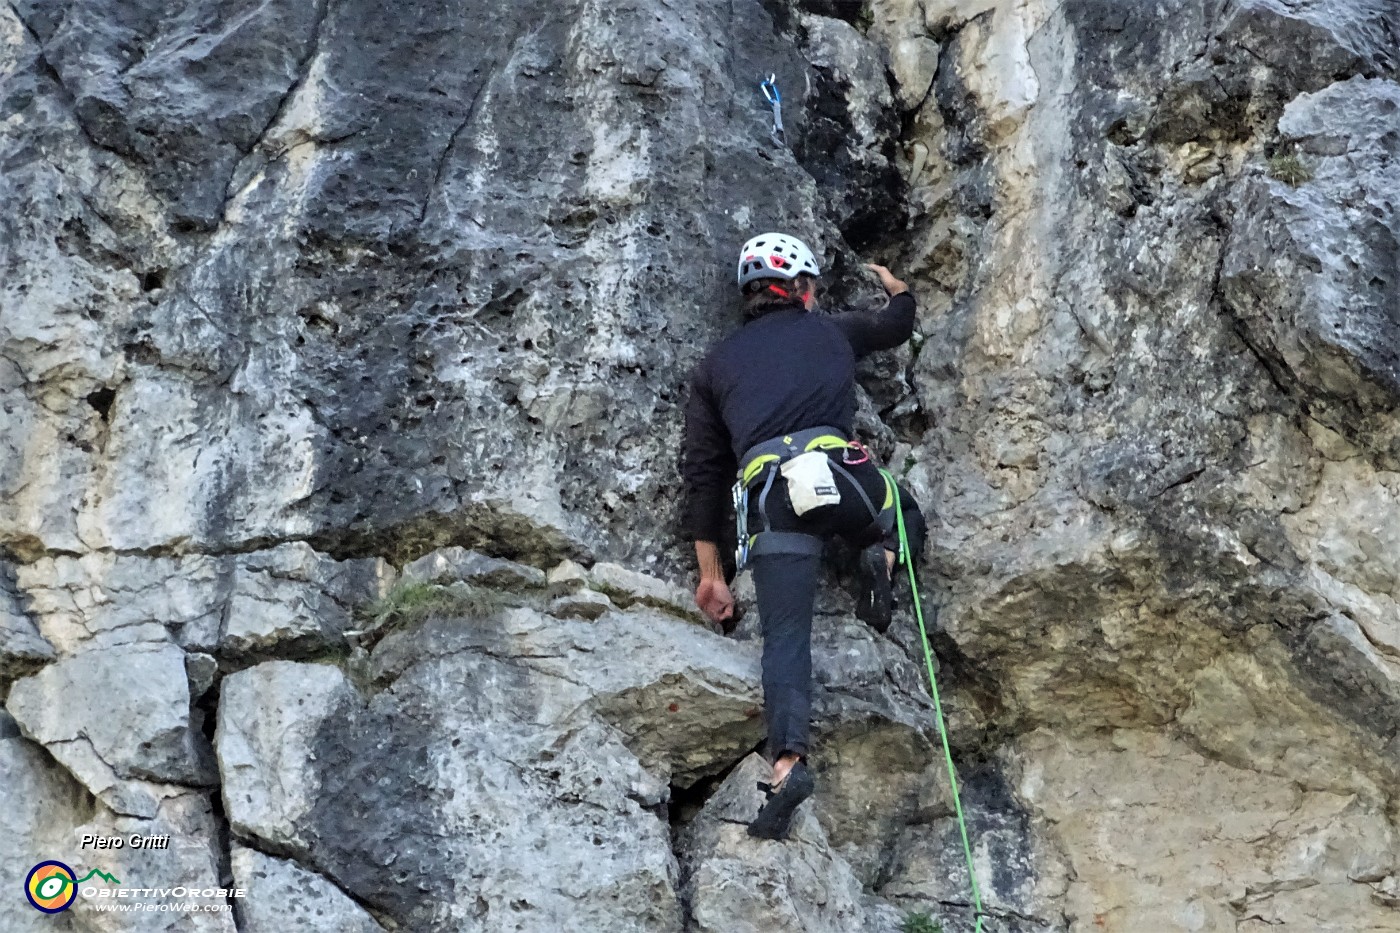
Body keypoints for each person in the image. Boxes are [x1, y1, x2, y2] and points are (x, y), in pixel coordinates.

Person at [680, 232, 928, 840]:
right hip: (842, 476)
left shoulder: (715, 367)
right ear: (803, 290)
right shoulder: (833, 330)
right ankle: (884, 556)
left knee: (785, 637)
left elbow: (704, 479)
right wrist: (898, 288)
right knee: (906, 514)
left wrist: (711, 576)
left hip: (769, 498)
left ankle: (787, 764)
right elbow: (896, 323)